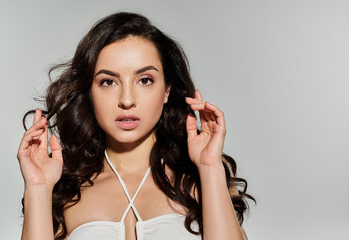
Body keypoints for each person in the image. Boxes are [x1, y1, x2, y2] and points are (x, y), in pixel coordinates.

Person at [17, 12, 255, 240]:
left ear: (167, 90)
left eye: (145, 80)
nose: (127, 100)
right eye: (108, 82)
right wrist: (38, 187)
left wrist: (209, 167)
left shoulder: (198, 179)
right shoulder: (66, 190)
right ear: (89, 91)